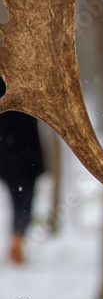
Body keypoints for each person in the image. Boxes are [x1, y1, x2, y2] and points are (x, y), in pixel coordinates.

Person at [0, 77, 45, 264]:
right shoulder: (22, 88)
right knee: (23, 201)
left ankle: (17, 239)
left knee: (21, 200)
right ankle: (17, 240)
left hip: (19, 157)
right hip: (20, 157)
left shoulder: (25, 87)